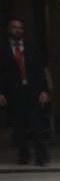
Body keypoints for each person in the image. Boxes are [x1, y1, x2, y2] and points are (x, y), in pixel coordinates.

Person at [0, 16, 51, 165]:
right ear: (9, 29)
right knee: (19, 126)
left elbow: (40, 71)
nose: (18, 30)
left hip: (32, 91)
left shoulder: (31, 48)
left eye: (20, 28)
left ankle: (41, 156)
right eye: (14, 27)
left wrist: (44, 90)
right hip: (14, 92)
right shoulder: (3, 50)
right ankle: (23, 154)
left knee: (37, 125)